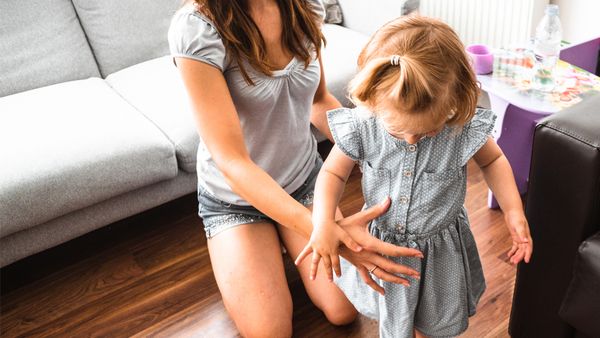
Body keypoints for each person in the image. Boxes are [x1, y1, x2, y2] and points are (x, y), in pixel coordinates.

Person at [167, 1, 424, 337]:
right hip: (235, 201)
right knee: (271, 332)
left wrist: (383, 156)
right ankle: (259, 246)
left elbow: (318, 102)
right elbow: (232, 162)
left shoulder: (304, 6)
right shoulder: (197, 29)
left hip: (303, 181)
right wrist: (328, 231)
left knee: (343, 311)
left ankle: (281, 243)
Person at [295, 16, 534, 338]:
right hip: (383, 244)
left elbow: (493, 161)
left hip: (441, 251)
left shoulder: (460, 127)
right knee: (393, 316)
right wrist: (323, 222)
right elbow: (333, 173)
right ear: (372, 101)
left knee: (434, 323)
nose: (410, 139)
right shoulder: (364, 125)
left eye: (426, 130)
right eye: (396, 129)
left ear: (455, 101)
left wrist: (514, 210)